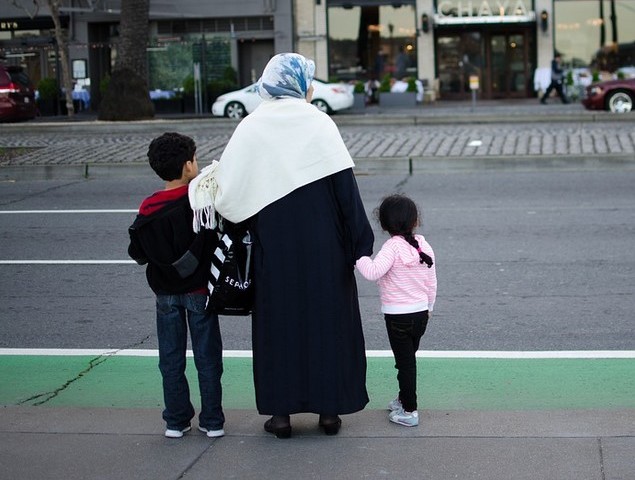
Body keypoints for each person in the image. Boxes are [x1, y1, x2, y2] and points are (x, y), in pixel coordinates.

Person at [212, 53, 374, 438]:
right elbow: (345, 192)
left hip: (274, 246)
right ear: (299, 83)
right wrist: (359, 245)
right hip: (326, 247)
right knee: (328, 325)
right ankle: (330, 412)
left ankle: (281, 415)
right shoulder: (319, 122)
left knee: (278, 327)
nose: (313, 87)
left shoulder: (252, 127)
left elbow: (230, 195)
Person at [128, 132, 225, 439]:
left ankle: (176, 420)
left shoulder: (148, 207)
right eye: (195, 159)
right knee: (208, 358)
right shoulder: (200, 202)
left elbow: (138, 253)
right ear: (187, 166)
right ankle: (212, 421)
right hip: (199, 292)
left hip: (165, 294)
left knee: (170, 358)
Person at [355, 194, 437, 427]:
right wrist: (429, 306)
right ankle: (403, 399)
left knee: (405, 364)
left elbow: (372, 272)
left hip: (398, 316)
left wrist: (357, 256)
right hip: (421, 314)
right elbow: (432, 281)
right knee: (407, 360)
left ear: (384, 225)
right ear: (415, 221)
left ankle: (409, 411)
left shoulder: (391, 247)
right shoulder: (423, 244)